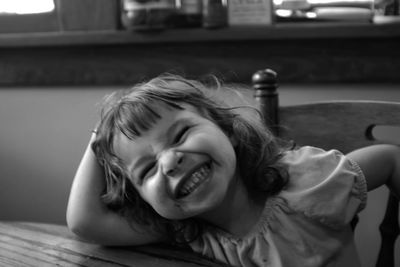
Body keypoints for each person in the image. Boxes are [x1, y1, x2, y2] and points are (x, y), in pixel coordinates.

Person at [66, 74, 400, 267]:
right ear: (145, 200)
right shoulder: (188, 230)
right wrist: (101, 135)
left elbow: (388, 159)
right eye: (147, 169)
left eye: (181, 134)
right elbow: (85, 223)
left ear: (227, 129)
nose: (168, 162)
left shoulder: (307, 181)